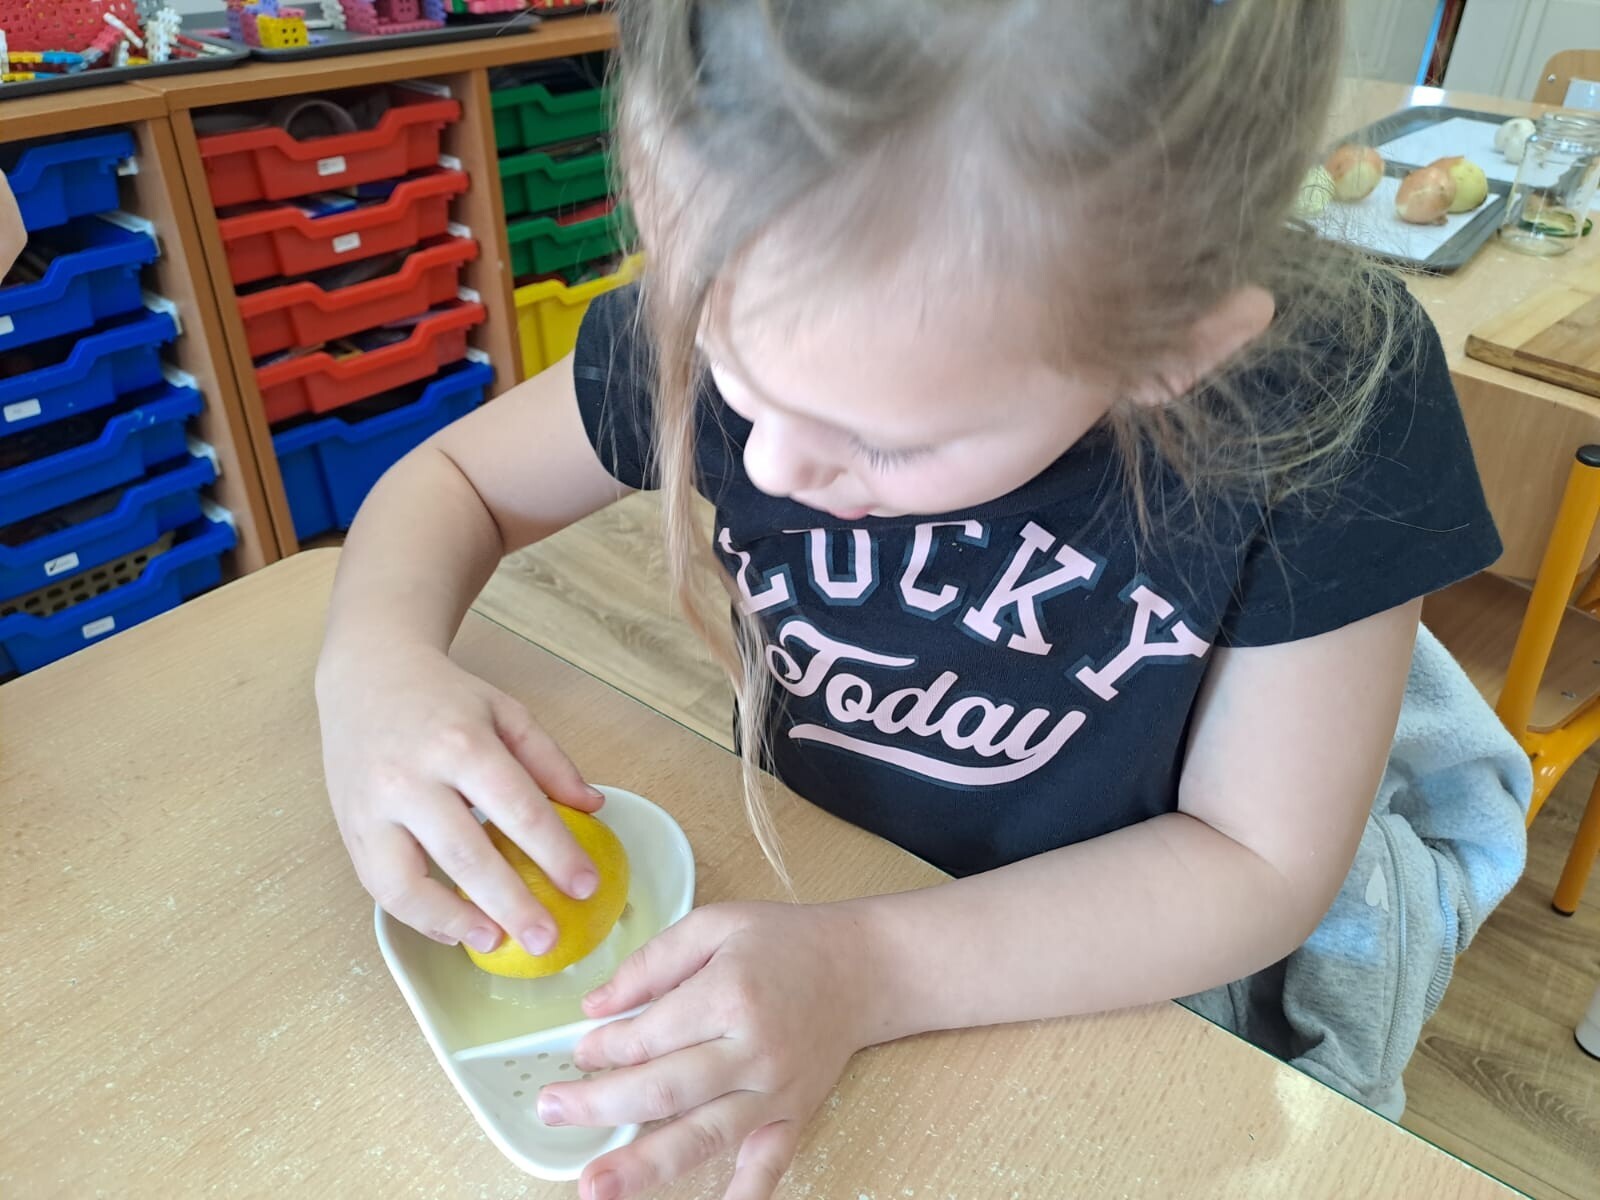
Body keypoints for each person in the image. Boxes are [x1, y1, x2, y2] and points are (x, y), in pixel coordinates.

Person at [315, 3, 1531, 1198]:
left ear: (1172, 344)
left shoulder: (1331, 401)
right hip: (814, 884)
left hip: (1108, 982)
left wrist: (869, 971)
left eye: (879, 443)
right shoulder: (779, 270)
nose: (771, 463)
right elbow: (455, 480)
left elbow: (1255, 864)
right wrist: (373, 663)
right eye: (724, 370)